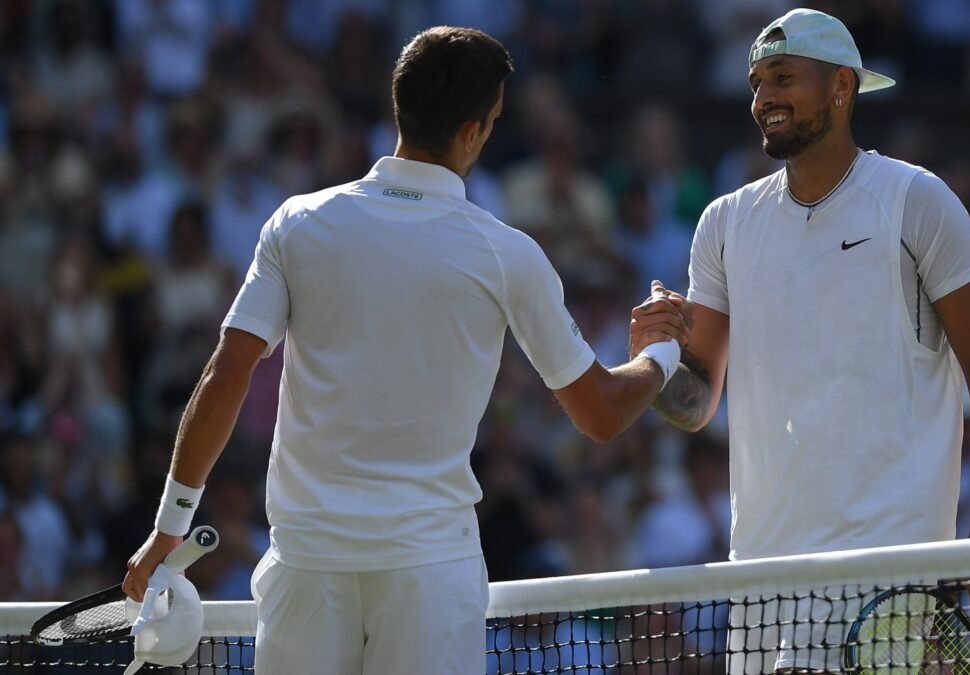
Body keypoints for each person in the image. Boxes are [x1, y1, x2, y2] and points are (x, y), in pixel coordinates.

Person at [122, 26, 688, 675]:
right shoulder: (507, 253)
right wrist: (661, 354)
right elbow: (602, 413)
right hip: (430, 575)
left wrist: (168, 528)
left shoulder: (299, 223)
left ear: (401, 108)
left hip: (308, 566)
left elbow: (225, 377)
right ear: (474, 130)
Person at [628, 8, 970, 673]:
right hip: (760, 585)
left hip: (890, 575)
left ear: (842, 87)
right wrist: (656, 357)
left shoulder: (917, 201)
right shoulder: (723, 223)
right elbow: (694, 405)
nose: (763, 98)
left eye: (782, 77)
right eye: (755, 82)